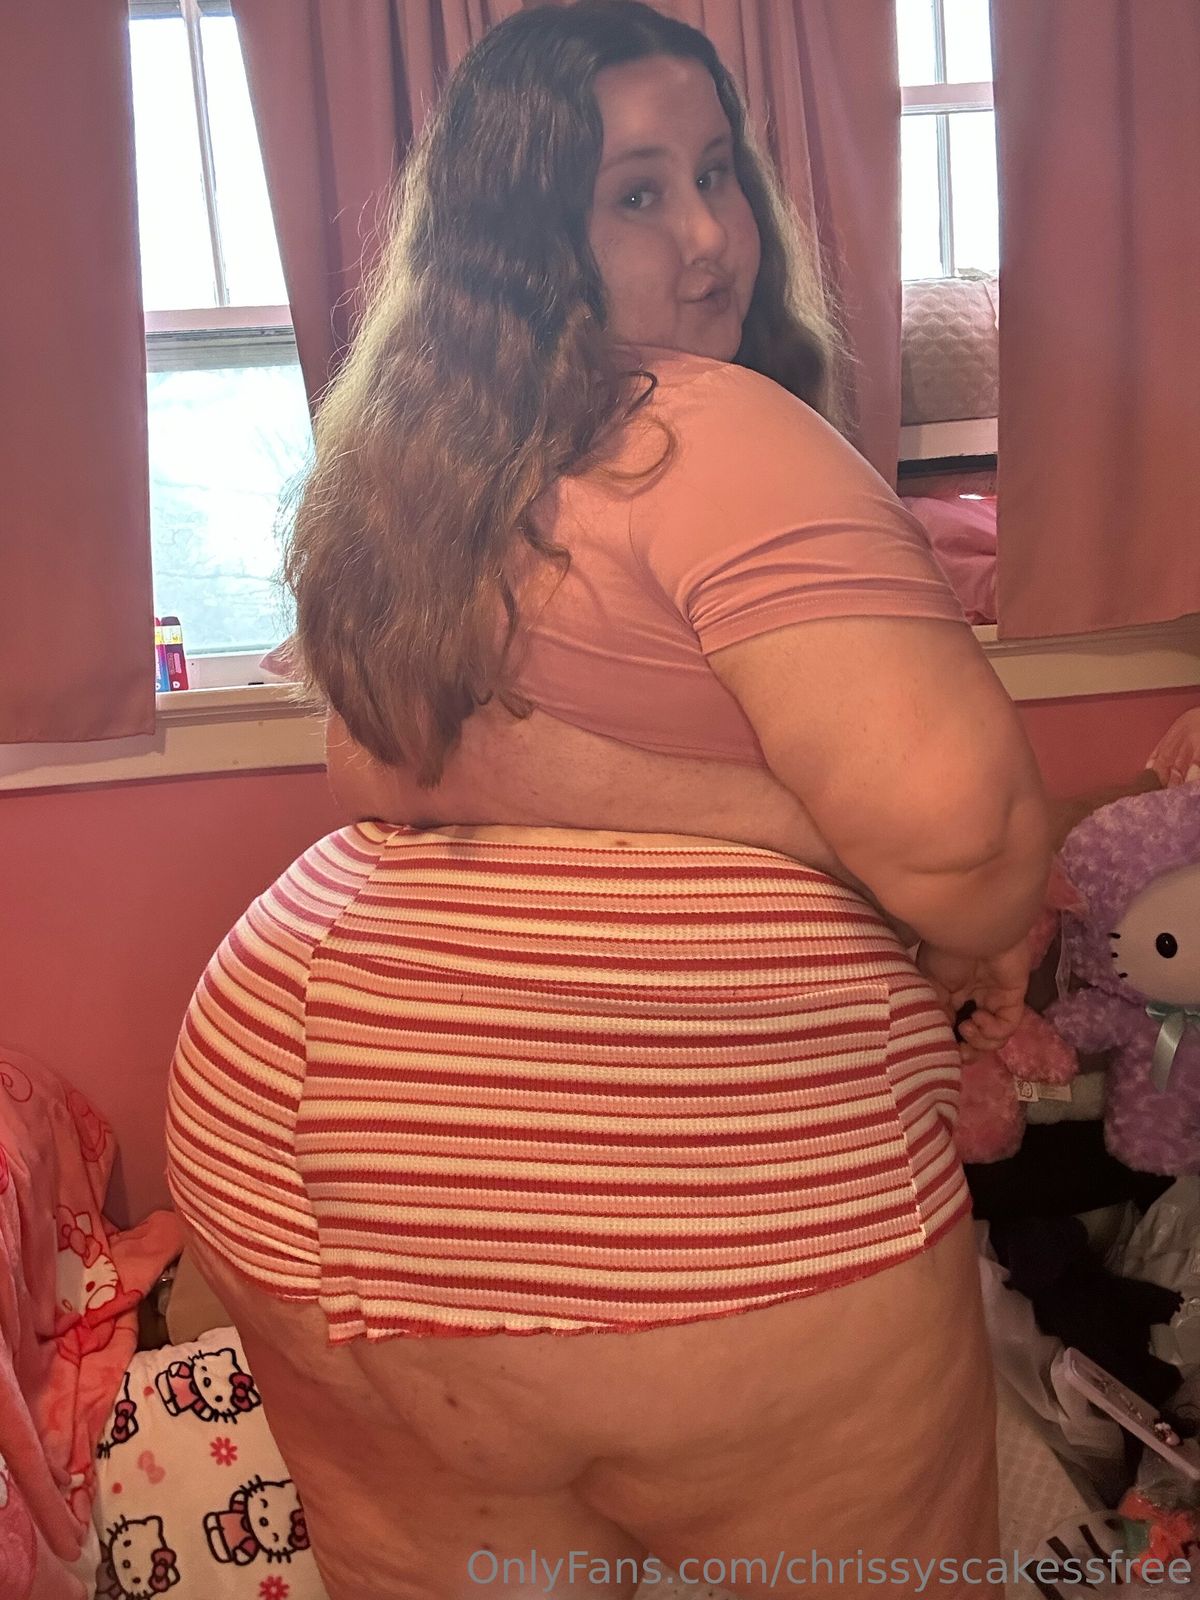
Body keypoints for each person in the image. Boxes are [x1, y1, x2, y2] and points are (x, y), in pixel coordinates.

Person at [166, 5, 1052, 1596]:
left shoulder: (416, 449)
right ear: (525, 231)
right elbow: (972, 854)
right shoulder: (709, 426)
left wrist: (574, 776)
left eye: (719, 174)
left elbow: (372, 760)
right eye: (635, 193)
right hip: (664, 1199)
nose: (711, 237)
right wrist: (848, 856)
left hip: (278, 1168)